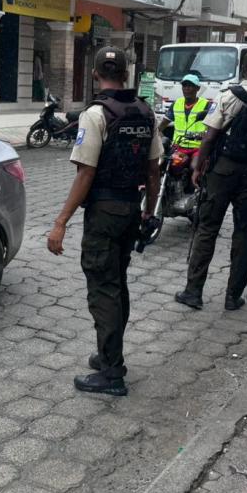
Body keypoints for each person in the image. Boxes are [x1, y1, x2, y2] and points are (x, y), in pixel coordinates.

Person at [47, 47, 161, 396]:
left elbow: (86, 174)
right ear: (126, 74)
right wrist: (149, 210)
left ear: (95, 74)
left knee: (103, 289)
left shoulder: (96, 114)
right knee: (117, 284)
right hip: (130, 208)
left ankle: (111, 373)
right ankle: (110, 356)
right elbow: (154, 170)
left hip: (105, 213)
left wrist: (61, 222)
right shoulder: (145, 112)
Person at [176, 48, 247, 312]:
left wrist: (198, 166)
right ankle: (233, 296)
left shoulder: (228, 96)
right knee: (243, 231)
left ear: (243, 69)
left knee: (207, 228)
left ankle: (193, 292)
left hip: (222, 172)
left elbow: (210, 136)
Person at [160, 73, 212, 150]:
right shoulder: (176, 103)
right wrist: (161, 139)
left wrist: (204, 137)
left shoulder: (206, 105)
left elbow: (213, 128)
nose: (186, 88)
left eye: (190, 86)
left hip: (197, 148)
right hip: (177, 147)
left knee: (195, 162)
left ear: (198, 88)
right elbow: (161, 126)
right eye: (184, 86)